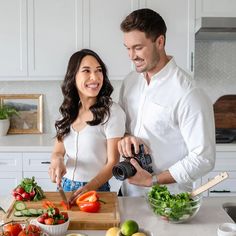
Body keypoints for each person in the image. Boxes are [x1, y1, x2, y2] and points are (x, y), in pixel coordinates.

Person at [118, 8, 216, 196]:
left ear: (160, 42)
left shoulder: (188, 92)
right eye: (127, 48)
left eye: (138, 48)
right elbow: (122, 128)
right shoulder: (130, 81)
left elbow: (203, 158)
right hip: (128, 195)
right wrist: (124, 137)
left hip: (168, 201)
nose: (131, 56)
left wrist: (152, 180)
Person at [48, 49, 126, 203]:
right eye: (86, 71)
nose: (95, 77)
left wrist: (90, 187)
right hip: (63, 188)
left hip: (96, 190)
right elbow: (58, 151)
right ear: (73, 76)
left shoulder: (112, 112)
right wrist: (57, 160)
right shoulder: (67, 111)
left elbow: (113, 162)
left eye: (99, 71)